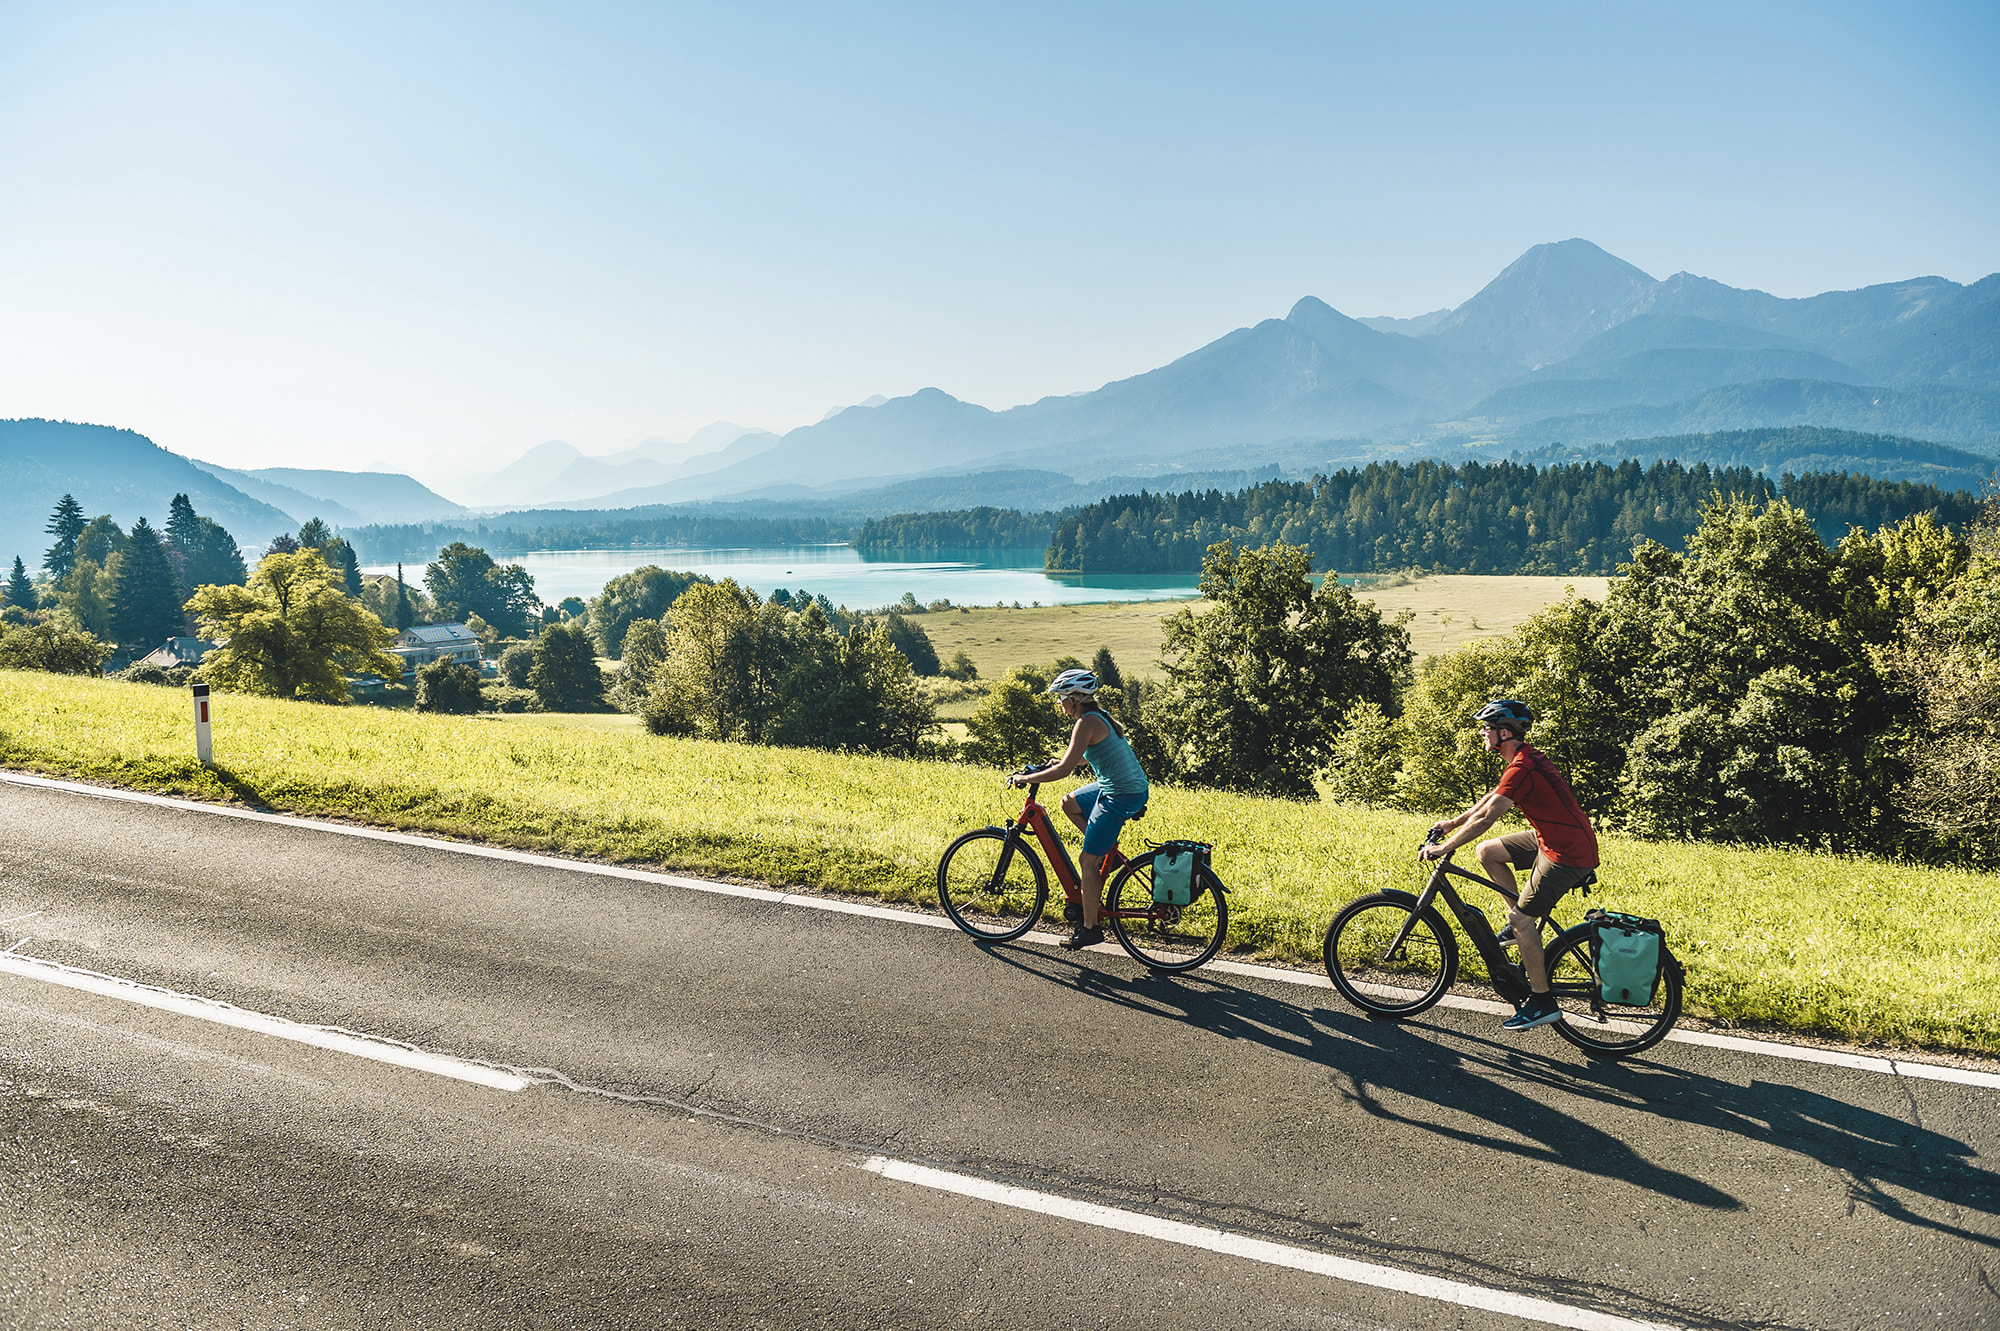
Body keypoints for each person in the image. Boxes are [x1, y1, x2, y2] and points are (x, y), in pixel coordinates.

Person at [1420, 699, 1599, 1031]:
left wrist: (1444, 847)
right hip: (1550, 839)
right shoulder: (1521, 761)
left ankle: (1542, 1001)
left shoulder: (1523, 767)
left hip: (1567, 853)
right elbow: (1493, 797)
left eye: (1486, 729)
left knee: (1520, 918)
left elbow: (1489, 817)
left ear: (1504, 732)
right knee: (1488, 852)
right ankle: (1520, 931)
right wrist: (1452, 822)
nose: (1482, 734)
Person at [1008, 667, 1149, 950]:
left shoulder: (1085, 722)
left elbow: (1064, 771)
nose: (1059, 704)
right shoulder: (1098, 717)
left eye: (1061, 698)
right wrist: (1057, 762)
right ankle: (1102, 848)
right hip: (1122, 787)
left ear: (1074, 698)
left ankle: (1089, 929)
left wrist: (1025, 778)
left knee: (1086, 862)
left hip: (1120, 794)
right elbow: (1087, 755)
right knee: (1068, 803)